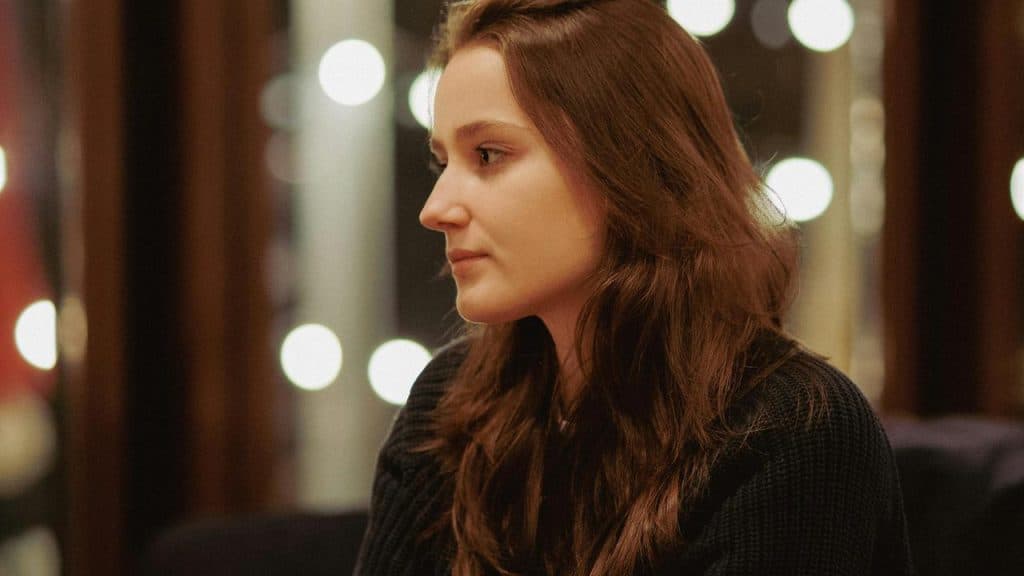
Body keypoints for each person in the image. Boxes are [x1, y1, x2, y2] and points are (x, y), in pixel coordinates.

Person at [356, 0, 915, 574]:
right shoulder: (448, 408)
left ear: (626, 165)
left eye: (489, 155)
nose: (436, 208)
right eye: (442, 162)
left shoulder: (790, 431)